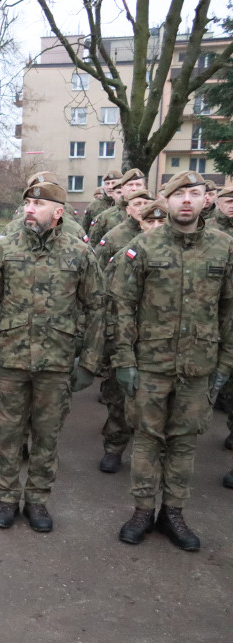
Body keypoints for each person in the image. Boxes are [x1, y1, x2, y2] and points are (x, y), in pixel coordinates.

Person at [110, 171, 233, 551]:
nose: (186, 201)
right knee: (146, 439)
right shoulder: (144, 247)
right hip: (151, 363)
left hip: (199, 364)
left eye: (194, 194)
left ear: (205, 201)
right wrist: (125, 360)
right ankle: (143, 510)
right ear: (164, 201)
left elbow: (229, 309)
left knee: (184, 443)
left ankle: (173, 512)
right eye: (178, 194)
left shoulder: (223, 247)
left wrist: (225, 364)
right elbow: (123, 306)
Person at [0, 181, 105, 533]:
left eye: (38, 204)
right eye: (28, 203)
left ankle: (37, 500)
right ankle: (6, 497)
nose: (29, 209)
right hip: (11, 360)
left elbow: (96, 309)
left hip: (56, 364)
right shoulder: (3, 250)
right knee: (9, 434)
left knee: (47, 435)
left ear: (58, 212)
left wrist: (89, 363)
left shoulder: (79, 254)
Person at [93, 188, 157, 474]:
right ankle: (114, 447)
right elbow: (105, 296)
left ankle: (150, 453)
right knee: (120, 397)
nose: (155, 226)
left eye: (161, 221)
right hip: (125, 338)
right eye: (149, 219)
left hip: (161, 344)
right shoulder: (123, 251)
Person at [89, 168, 146, 245]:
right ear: (122, 188)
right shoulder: (104, 217)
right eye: (130, 185)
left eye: (138, 185)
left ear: (145, 188)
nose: (134, 188)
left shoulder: (154, 216)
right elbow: (94, 248)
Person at [82, 169, 121, 233]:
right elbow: (85, 229)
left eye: (113, 183)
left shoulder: (128, 204)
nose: (110, 187)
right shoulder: (94, 205)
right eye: (107, 183)